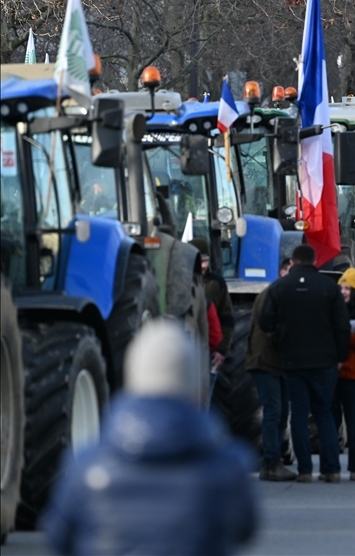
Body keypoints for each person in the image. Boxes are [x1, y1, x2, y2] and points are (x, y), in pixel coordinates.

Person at [42, 319, 258, 556]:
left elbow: (58, 538)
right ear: (193, 385)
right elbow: (246, 529)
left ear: (132, 376)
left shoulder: (84, 467)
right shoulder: (229, 468)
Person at [259, 245, 349, 483]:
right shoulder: (329, 287)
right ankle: (331, 470)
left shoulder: (279, 287)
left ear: (293, 261)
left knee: (298, 414)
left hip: (291, 360)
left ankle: (306, 471)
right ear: (315, 260)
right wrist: (341, 357)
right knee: (324, 412)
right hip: (325, 361)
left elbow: (265, 322)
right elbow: (342, 326)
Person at [246, 258, 297, 482]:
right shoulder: (273, 295)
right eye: (290, 272)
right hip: (267, 362)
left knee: (280, 412)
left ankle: (272, 460)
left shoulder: (279, 294)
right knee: (274, 411)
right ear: (282, 272)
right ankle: (270, 462)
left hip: (276, 363)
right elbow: (270, 328)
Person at [332, 267, 355, 481]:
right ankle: (332, 467)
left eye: (348, 288)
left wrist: (346, 333)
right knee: (331, 423)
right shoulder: (335, 310)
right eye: (341, 288)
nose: (344, 291)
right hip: (335, 377)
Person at [193, 237, 234, 371]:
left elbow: (227, 318)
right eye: (200, 261)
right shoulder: (179, 283)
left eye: (206, 260)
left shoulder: (216, 283)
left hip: (210, 351)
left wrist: (221, 350)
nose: (203, 266)